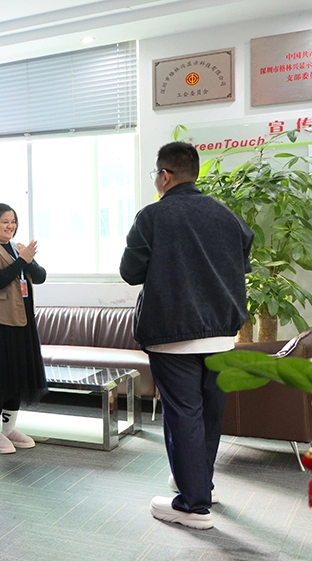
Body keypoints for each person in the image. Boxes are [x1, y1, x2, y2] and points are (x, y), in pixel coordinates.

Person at [120, 141, 253, 530]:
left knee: (182, 415)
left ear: (165, 175)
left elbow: (130, 272)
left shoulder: (153, 216)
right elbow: (239, 267)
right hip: (223, 335)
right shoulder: (228, 217)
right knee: (208, 414)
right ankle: (200, 486)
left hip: (172, 333)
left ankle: (193, 506)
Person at [0, 203, 47, 454]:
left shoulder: (17, 248)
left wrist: (27, 259)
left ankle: (9, 429)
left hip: (23, 321)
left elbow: (40, 276)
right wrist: (21, 261)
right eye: (5, 221)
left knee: (17, 376)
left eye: (13, 221)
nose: (10, 226)